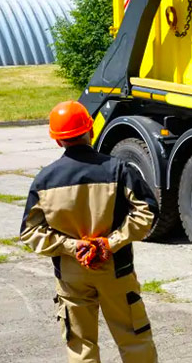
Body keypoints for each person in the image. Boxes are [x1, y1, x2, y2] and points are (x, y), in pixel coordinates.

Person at [20, 100, 159, 363]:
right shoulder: (118, 169)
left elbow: (30, 232)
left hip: (72, 274)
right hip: (115, 269)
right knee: (134, 339)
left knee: (81, 347)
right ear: (91, 130)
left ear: (58, 141)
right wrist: (109, 244)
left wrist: (73, 247)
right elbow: (147, 213)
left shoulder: (45, 180)